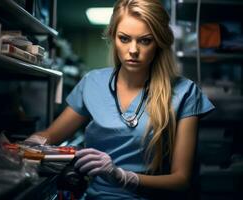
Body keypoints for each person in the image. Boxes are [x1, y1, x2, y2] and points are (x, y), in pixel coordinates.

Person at [26, 0, 215, 199]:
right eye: (124, 39)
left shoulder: (185, 92)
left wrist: (123, 176)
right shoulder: (93, 83)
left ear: (159, 42)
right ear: (113, 38)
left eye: (145, 40)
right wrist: (25, 146)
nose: (133, 50)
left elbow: (181, 180)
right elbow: (50, 135)